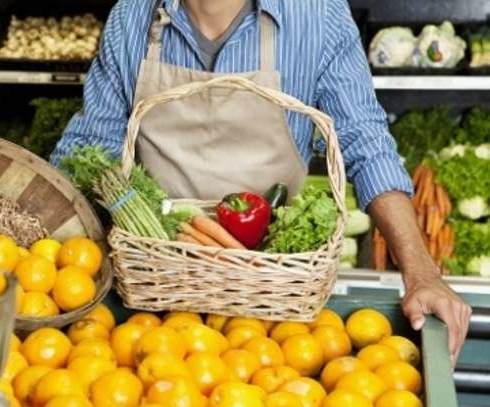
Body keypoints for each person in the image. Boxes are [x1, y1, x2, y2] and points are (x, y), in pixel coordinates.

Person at [50, 0, 471, 363]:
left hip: (275, 306)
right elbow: (89, 148)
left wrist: (420, 272)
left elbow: (364, 141)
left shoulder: (316, 14)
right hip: (153, 303)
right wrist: (41, 254)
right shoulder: (132, 17)